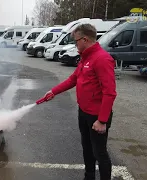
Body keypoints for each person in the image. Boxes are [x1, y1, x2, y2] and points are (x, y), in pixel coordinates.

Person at [40, 23, 117, 180]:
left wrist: (102, 120)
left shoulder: (102, 59)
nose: (75, 44)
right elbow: (73, 79)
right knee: (87, 149)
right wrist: (54, 91)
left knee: (100, 153)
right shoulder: (85, 58)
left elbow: (109, 92)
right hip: (84, 112)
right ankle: (89, 177)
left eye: (76, 41)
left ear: (85, 39)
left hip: (96, 117)